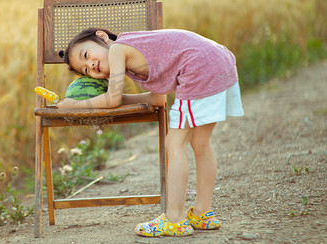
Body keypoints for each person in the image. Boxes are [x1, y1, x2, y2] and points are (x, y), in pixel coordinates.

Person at [56, 28, 244, 237]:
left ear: (102, 36)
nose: (90, 65)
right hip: (217, 60)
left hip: (198, 67)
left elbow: (112, 100)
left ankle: (175, 219)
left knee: (174, 144)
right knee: (201, 143)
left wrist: (74, 105)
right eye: (85, 71)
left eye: (86, 55)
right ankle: (203, 213)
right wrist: (118, 97)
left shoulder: (118, 49)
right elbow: (157, 99)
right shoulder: (135, 53)